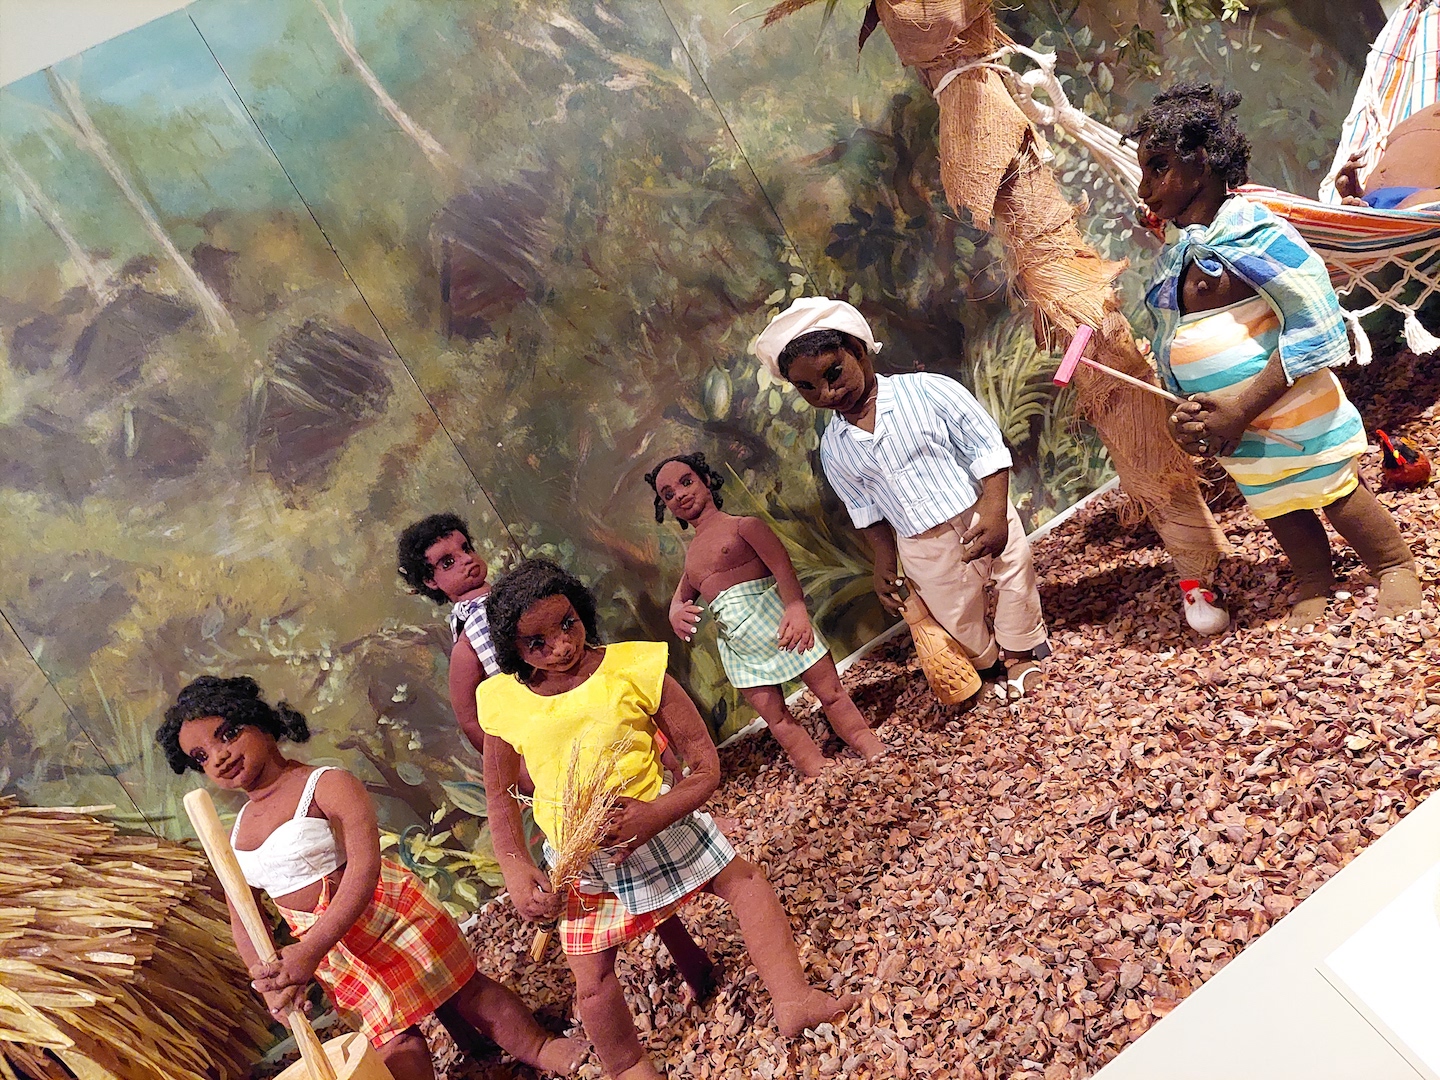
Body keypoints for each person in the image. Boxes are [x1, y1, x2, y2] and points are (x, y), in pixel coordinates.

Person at [477, 559, 853, 1080]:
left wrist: (656, 813)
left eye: (568, 623)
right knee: (592, 976)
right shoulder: (504, 702)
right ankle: (627, 1064)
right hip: (582, 856)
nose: (561, 646)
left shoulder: (632, 667)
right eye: (537, 643)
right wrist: (516, 866)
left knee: (744, 882)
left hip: (659, 818)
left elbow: (704, 764)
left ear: (582, 610)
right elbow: (498, 794)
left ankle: (793, 997)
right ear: (513, 651)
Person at [156, 675, 584, 1080]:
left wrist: (310, 950)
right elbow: (242, 917)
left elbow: (364, 867)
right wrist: (268, 978)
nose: (220, 756)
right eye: (201, 757)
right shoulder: (234, 835)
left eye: (228, 734)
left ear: (261, 722)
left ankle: (540, 1046)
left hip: (385, 917)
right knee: (389, 1034)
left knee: (462, 988)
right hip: (335, 954)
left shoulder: (324, 784)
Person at [1131, 83, 1424, 627]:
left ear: (1201, 162)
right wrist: (1186, 413)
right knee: (1277, 504)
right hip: (1236, 429)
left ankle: (1392, 562)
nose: (1145, 188)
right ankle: (1315, 577)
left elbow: (1315, 319)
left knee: (1333, 487)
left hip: (1290, 409)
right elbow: (1172, 343)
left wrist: (1242, 406)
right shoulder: (1178, 257)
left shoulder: (1257, 233)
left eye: (1158, 168)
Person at [396, 513, 714, 1001]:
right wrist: (520, 765)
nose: (466, 563)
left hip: (593, 735)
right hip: (548, 759)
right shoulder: (466, 645)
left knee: (636, 850)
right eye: (447, 562)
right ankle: (669, 959)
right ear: (429, 581)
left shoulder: (515, 604)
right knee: (607, 866)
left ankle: (692, 958)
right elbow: (472, 717)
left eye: (466, 548)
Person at [755, 297, 1051, 700]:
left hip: (976, 512)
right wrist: (884, 560)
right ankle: (988, 662)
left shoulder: (929, 391)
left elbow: (986, 447)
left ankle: (1021, 651)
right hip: (919, 543)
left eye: (833, 372)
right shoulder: (835, 447)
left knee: (1014, 574)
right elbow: (866, 509)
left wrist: (995, 507)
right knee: (952, 609)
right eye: (807, 387)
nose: (826, 391)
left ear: (858, 350)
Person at [645, 452, 886, 776]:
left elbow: (782, 568)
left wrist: (796, 608)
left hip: (782, 623)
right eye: (669, 494)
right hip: (740, 649)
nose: (681, 494)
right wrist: (676, 611)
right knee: (776, 717)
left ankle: (864, 740)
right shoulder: (691, 558)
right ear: (666, 506)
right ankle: (815, 767)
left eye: (686, 482)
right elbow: (683, 593)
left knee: (831, 693)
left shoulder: (744, 527)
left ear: (704, 480)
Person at [1333, 102, 1440, 210]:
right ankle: (1366, 213)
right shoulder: (1411, 123)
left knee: (1423, 201)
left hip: (1422, 201)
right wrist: (1355, 193)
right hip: (1376, 202)